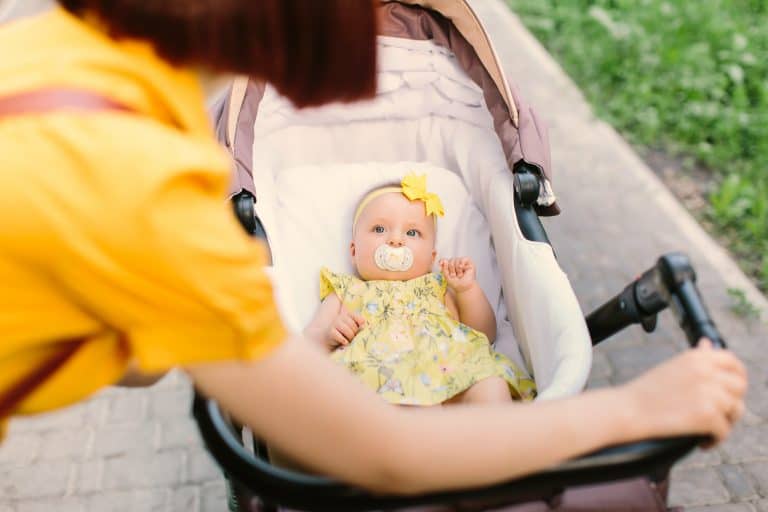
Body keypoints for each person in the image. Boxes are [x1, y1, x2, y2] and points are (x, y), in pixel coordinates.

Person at [0, 0, 747, 497]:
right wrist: (636, 409)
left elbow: (130, 360)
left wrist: (218, 335)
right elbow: (382, 452)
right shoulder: (148, 187)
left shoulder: (50, 57)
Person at [304, 174, 536, 405]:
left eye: (412, 233)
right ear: (354, 252)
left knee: (491, 385)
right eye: (379, 229)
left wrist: (467, 290)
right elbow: (308, 342)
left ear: (431, 258)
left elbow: (485, 333)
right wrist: (328, 337)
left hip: (448, 369)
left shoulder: (436, 286)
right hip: (380, 380)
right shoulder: (346, 290)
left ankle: (493, 436)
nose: (395, 240)